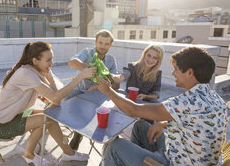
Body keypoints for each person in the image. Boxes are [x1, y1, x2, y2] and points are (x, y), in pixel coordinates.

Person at [97, 46, 228, 166]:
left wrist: (108, 91)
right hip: (183, 153)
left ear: (189, 72)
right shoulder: (216, 99)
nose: (173, 74)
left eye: (176, 69)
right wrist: (163, 124)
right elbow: (195, 121)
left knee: (115, 146)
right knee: (140, 126)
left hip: (173, 162)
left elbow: (133, 110)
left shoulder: (186, 102)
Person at [0, 42, 96, 166]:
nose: (52, 63)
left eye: (52, 59)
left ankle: (68, 153)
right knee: (46, 118)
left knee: (50, 115)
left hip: (15, 115)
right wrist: (80, 77)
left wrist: (49, 76)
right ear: (35, 60)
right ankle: (29, 154)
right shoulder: (26, 74)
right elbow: (55, 97)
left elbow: (56, 100)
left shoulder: (34, 70)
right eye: (48, 60)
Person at [67, 29, 119, 150]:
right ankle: (78, 133)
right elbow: (72, 62)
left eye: (106, 44)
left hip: (98, 95)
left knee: (113, 115)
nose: (103, 46)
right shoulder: (87, 53)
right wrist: (91, 69)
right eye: (100, 43)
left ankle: (111, 142)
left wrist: (99, 85)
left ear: (110, 45)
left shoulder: (111, 60)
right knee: (63, 103)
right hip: (80, 92)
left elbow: (116, 84)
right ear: (95, 42)